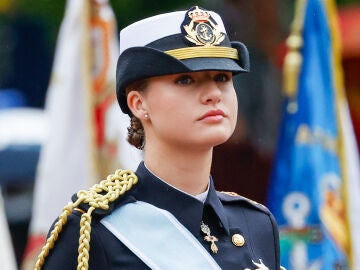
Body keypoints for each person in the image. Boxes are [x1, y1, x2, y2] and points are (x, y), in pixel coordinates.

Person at [35, 5, 281, 270]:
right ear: (139, 104)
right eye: (186, 80)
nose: (213, 93)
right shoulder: (94, 232)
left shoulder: (256, 225)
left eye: (222, 77)